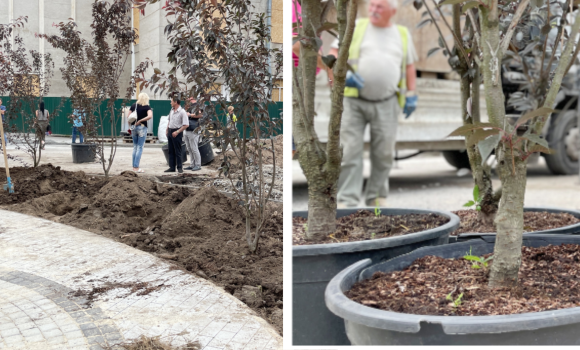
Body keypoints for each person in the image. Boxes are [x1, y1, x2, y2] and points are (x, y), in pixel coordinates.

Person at [329, 0, 418, 208]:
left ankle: (377, 198)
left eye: (380, 6)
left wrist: (412, 94)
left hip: (387, 102)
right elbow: (332, 54)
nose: (373, 10)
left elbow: (410, 66)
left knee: (384, 153)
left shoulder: (402, 34)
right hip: (353, 100)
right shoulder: (356, 26)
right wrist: (340, 75)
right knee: (350, 151)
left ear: (393, 11)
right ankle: (347, 201)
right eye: (372, 5)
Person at [127, 93, 153, 173]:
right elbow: (150, 116)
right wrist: (141, 120)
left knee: (135, 147)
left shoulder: (134, 105)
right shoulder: (147, 107)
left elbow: (128, 117)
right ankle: (136, 167)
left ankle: (134, 167)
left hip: (133, 127)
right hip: (142, 127)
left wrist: (130, 127)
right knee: (140, 147)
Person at [165, 96, 189, 174]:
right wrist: (167, 129)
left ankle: (179, 167)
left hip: (177, 132)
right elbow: (169, 120)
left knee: (178, 151)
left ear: (176, 102)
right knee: (170, 150)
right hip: (170, 131)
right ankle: (172, 167)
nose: (170, 103)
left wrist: (177, 131)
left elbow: (186, 125)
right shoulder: (171, 110)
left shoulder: (182, 112)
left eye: (171, 101)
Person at [183, 97, 202, 171]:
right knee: (189, 149)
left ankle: (198, 165)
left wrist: (190, 115)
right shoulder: (189, 107)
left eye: (188, 98)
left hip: (194, 129)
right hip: (187, 129)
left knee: (194, 148)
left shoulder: (197, 106)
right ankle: (192, 164)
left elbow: (200, 115)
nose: (187, 99)